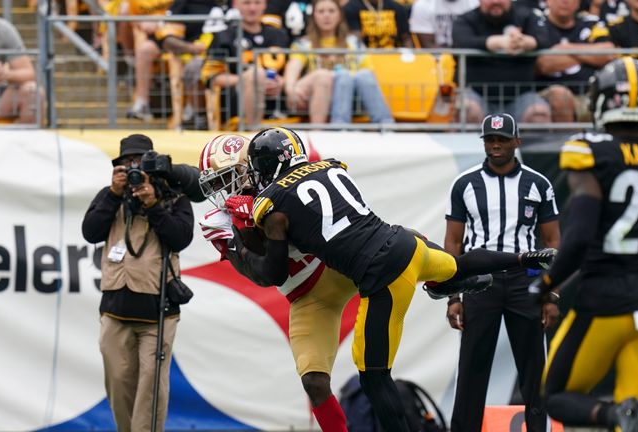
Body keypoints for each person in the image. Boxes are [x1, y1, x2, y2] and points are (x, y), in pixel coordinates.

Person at [236, 126, 558, 432]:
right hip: (407, 244)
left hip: (381, 277)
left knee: (374, 379)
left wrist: (242, 241)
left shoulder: (272, 206)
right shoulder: (332, 168)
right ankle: (518, 260)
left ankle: (444, 285)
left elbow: (274, 273)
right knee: (458, 266)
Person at [530, 57, 638, 432]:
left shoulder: (591, 152)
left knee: (557, 395)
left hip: (604, 300)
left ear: (601, 102)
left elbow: (577, 240)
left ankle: (611, 414)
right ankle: (622, 415)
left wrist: (546, 285)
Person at [197, 133, 358, 432]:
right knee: (314, 380)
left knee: (401, 246)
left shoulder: (285, 184)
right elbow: (263, 274)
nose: (221, 190)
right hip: (307, 294)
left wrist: (262, 210)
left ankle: (457, 275)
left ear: (252, 168)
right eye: (215, 183)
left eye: (228, 177)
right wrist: (244, 225)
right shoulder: (216, 219)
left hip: (340, 261)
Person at [445, 112, 561, 432]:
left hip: (526, 281)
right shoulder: (465, 183)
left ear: (516, 142)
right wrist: (453, 294)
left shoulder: (538, 183)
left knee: (533, 370)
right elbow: (453, 242)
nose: (496, 146)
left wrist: (551, 292)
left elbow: (552, 241)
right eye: (490, 140)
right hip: (480, 282)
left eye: (502, 140)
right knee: (471, 368)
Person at [81, 134, 195, 432]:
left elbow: (181, 238)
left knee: (151, 389)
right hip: (115, 309)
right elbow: (90, 232)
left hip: (157, 311)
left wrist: (153, 203)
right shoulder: (111, 196)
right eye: (126, 163)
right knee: (118, 384)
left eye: (139, 162)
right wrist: (113, 194)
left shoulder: (173, 198)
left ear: (152, 165)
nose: (133, 169)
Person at [284, 0, 394, 124]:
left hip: (353, 98)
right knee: (339, 75)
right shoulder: (303, 44)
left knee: (362, 75)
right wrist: (291, 89)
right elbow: (293, 66)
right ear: (314, 16)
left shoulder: (353, 42)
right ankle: (339, 126)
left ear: (339, 15)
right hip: (320, 98)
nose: (326, 15)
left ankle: (386, 125)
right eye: (321, 11)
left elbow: (369, 73)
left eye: (331, 11)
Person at [450, 0, 552, 124]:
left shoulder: (527, 16)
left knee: (539, 114)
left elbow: (546, 39)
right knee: (467, 111)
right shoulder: (465, 19)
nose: (496, 1)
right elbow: (461, 42)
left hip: (522, 95)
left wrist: (526, 42)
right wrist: (496, 42)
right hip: (476, 94)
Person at [201, 0, 290, 125]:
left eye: (257, 3)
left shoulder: (279, 35)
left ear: (265, 4)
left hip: (279, 106)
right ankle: (253, 131)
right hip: (237, 107)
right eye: (246, 3)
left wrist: (282, 82)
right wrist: (249, 80)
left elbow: (292, 68)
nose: (252, 8)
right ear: (235, 4)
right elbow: (211, 76)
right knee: (256, 74)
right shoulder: (223, 37)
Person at [535, 0, 614, 122]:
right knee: (560, 95)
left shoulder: (591, 23)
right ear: (548, 1)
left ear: (578, 3)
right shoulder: (538, 24)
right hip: (547, 96)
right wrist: (588, 55)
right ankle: (564, 141)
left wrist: (565, 48)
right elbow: (544, 64)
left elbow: (608, 53)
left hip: (589, 94)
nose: (565, 2)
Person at [408, 0, 478, 48]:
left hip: (471, 56)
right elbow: (427, 43)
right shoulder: (423, 4)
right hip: (436, 57)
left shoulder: (476, 3)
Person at [342, 0, 411, 48]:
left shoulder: (397, 7)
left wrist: (409, 56)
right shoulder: (351, 8)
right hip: (366, 55)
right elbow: (355, 40)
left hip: (394, 55)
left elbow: (406, 38)